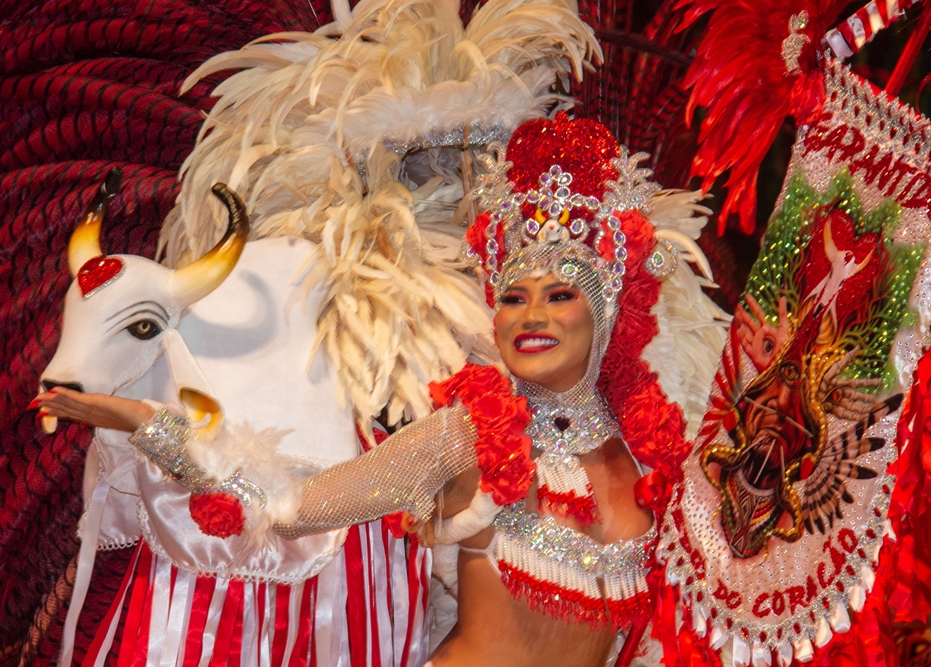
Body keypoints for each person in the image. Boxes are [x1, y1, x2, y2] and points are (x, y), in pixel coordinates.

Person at [37, 113, 725, 667]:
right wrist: (143, 419)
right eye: (514, 297)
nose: (531, 316)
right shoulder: (467, 432)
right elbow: (282, 508)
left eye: (560, 294)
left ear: (607, 310)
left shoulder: (650, 454)